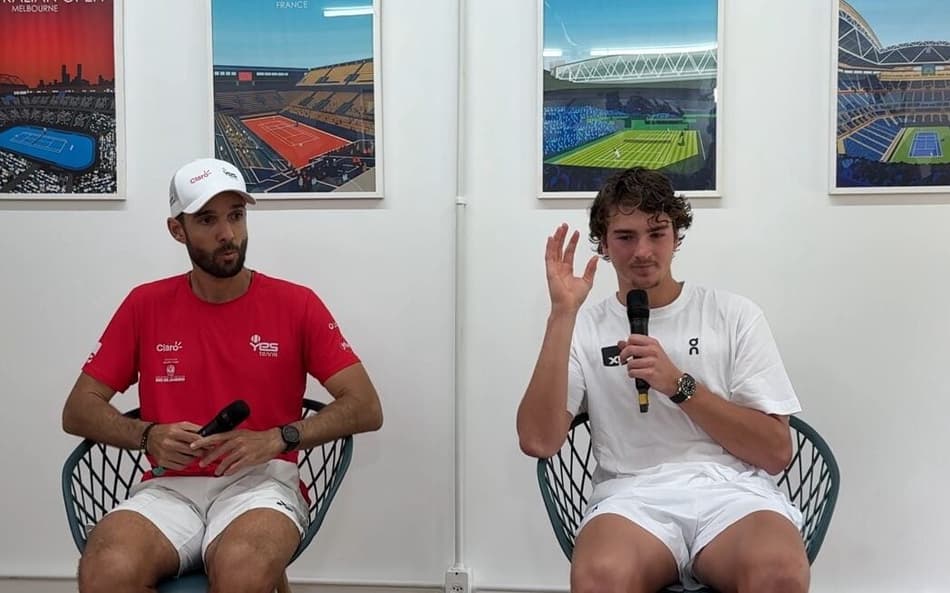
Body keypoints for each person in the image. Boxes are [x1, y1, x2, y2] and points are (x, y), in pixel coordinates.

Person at [62, 157, 383, 593]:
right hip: (169, 490)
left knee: (242, 573)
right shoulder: (145, 305)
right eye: (207, 220)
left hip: (262, 486)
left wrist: (279, 438)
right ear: (178, 230)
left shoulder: (296, 304)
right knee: (105, 570)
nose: (227, 234)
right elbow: (78, 409)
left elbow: (365, 406)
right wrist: (146, 435)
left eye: (236, 215)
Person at [517, 167, 807, 593]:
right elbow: (537, 442)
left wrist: (679, 385)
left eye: (657, 233)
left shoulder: (733, 315)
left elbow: (777, 452)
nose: (643, 251)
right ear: (604, 241)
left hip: (733, 495)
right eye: (626, 236)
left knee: (778, 572)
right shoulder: (584, 327)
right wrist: (562, 313)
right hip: (632, 499)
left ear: (676, 235)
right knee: (599, 577)